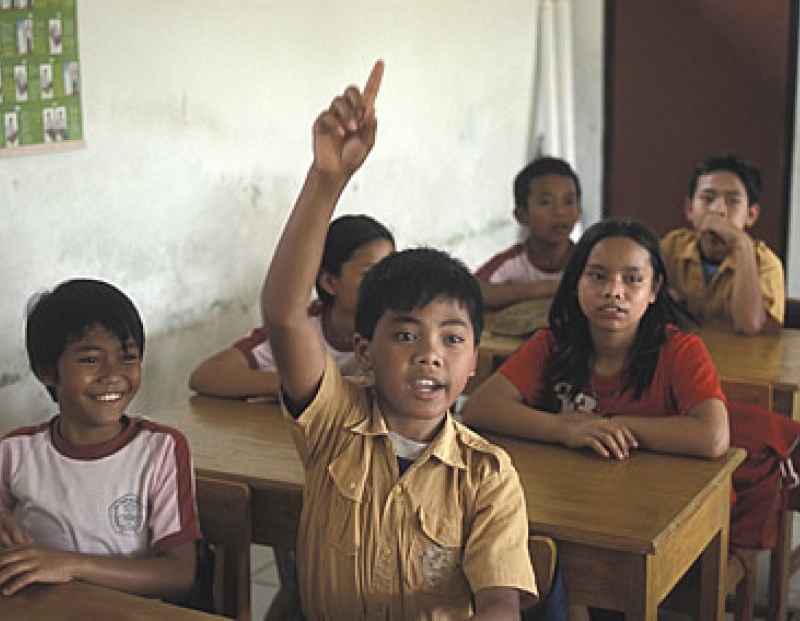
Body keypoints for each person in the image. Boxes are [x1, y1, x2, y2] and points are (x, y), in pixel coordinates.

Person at [260, 60, 537, 619]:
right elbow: (285, 314)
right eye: (406, 333)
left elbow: (500, 600)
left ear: (474, 363)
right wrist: (327, 179)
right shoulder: (334, 425)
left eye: (452, 338)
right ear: (363, 351)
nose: (429, 352)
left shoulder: (487, 475)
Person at [0, 279, 200, 603]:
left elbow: (178, 575)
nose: (113, 373)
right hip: (41, 611)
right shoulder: (16, 451)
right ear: (46, 372)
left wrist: (71, 565)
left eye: (128, 357)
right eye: (91, 360)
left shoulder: (161, 449)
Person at [462, 218, 729, 461]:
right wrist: (565, 428)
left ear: (654, 289)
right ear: (576, 282)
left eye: (632, 279)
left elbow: (713, 437)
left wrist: (603, 424)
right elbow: (480, 407)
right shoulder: (554, 341)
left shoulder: (681, 350)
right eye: (597, 276)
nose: (613, 291)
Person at [188, 214, 394, 400]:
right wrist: (292, 387)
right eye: (371, 274)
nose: (386, 284)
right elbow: (206, 375)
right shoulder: (300, 328)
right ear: (330, 282)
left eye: (392, 272)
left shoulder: (399, 329)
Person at [661, 154, 784, 334]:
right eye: (708, 199)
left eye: (732, 201)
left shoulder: (766, 264)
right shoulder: (670, 247)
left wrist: (743, 244)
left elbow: (749, 326)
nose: (718, 210)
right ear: (689, 209)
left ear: (751, 215)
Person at [475, 157, 582, 310]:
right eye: (545, 202)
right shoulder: (512, 262)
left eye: (568, 202)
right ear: (521, 215)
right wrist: (550, 288)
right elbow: (474, 292)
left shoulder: (587, 260)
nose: (559, 212)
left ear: (579, 212)